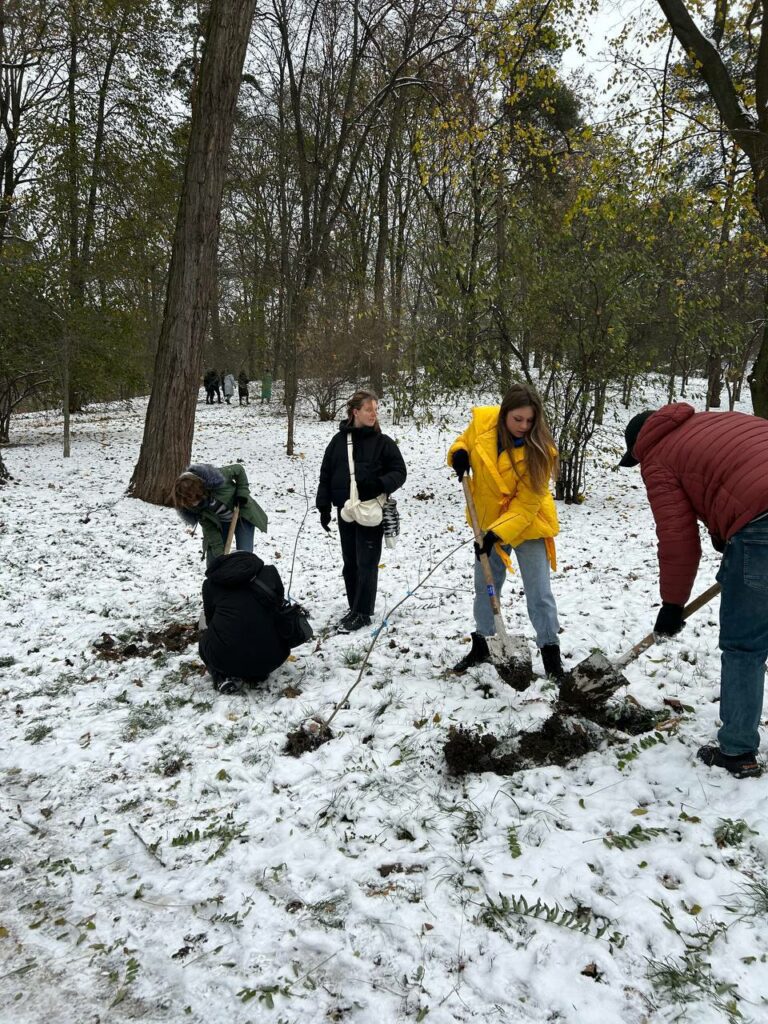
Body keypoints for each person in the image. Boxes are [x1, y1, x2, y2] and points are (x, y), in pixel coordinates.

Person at [618, 403, 768, 779]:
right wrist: (726, 532)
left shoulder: (657, 457)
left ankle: (737, 752)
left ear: (639, 447)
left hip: (762, 526)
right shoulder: (716, 419)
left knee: (744, 645)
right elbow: (737, 470)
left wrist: (672, 604)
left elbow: (677, 540)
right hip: (756, 520)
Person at [447, 383, 563, 679]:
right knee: (486, 587)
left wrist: (496, 535)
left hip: (528, 525)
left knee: (539, 592)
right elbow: (463, 441)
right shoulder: (483, 423)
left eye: (530, 421)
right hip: (486, 519)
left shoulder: (541, 451)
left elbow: (526, 506)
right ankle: (484, 643)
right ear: (504, 414)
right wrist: (459, 454)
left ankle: (551, 656)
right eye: (518, 419)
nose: (524, 426)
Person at [316, 390, 407, 631]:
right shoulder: (337, 442)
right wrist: (323, 506)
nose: (373, 414)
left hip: (370, 511)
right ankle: (353, 606)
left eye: (376, 410)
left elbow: (399, 472)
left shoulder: (383, 443)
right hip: (345, 510)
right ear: (355, 412)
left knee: (367, 562)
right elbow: (326, 474)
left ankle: (363, 612)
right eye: (369, 409)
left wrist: (379, 484)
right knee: (350, 562)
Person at [199, 551, 290, 693]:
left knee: (204, 642)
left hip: (226, 659)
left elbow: (210, 621)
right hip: (274, 657)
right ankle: (259, 672)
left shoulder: (210, 585)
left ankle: (220, 676)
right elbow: (279, 607)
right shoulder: (270, 573)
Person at [173, 463, 268, 566]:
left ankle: (246, 578)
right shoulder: (194, 508)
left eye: (194, 498)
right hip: (221, 523)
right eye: (189, 502)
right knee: (214, 560)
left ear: (200, 490)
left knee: (245, 554)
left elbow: (239, 469)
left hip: (242, 516)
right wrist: (220, 556)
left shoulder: (218, 477)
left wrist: (242, 493)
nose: (194, 504)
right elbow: (211, 531)